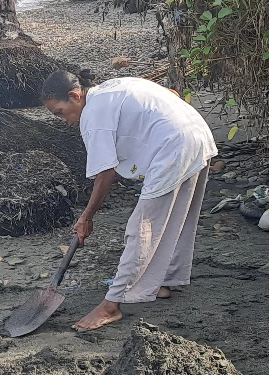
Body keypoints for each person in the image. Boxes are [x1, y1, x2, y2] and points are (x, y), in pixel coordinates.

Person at [41, 70, 218, 332]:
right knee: (177, 214)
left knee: (142, 228)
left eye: (59, 112)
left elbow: (106, 173)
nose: (64, 121)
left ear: (74, 96)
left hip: (173, 147)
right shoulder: (112, 88)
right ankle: (163, 281)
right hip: (197, 133)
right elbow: (171, 95)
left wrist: (86, 217)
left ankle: (110, 306)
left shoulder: (93, 116)